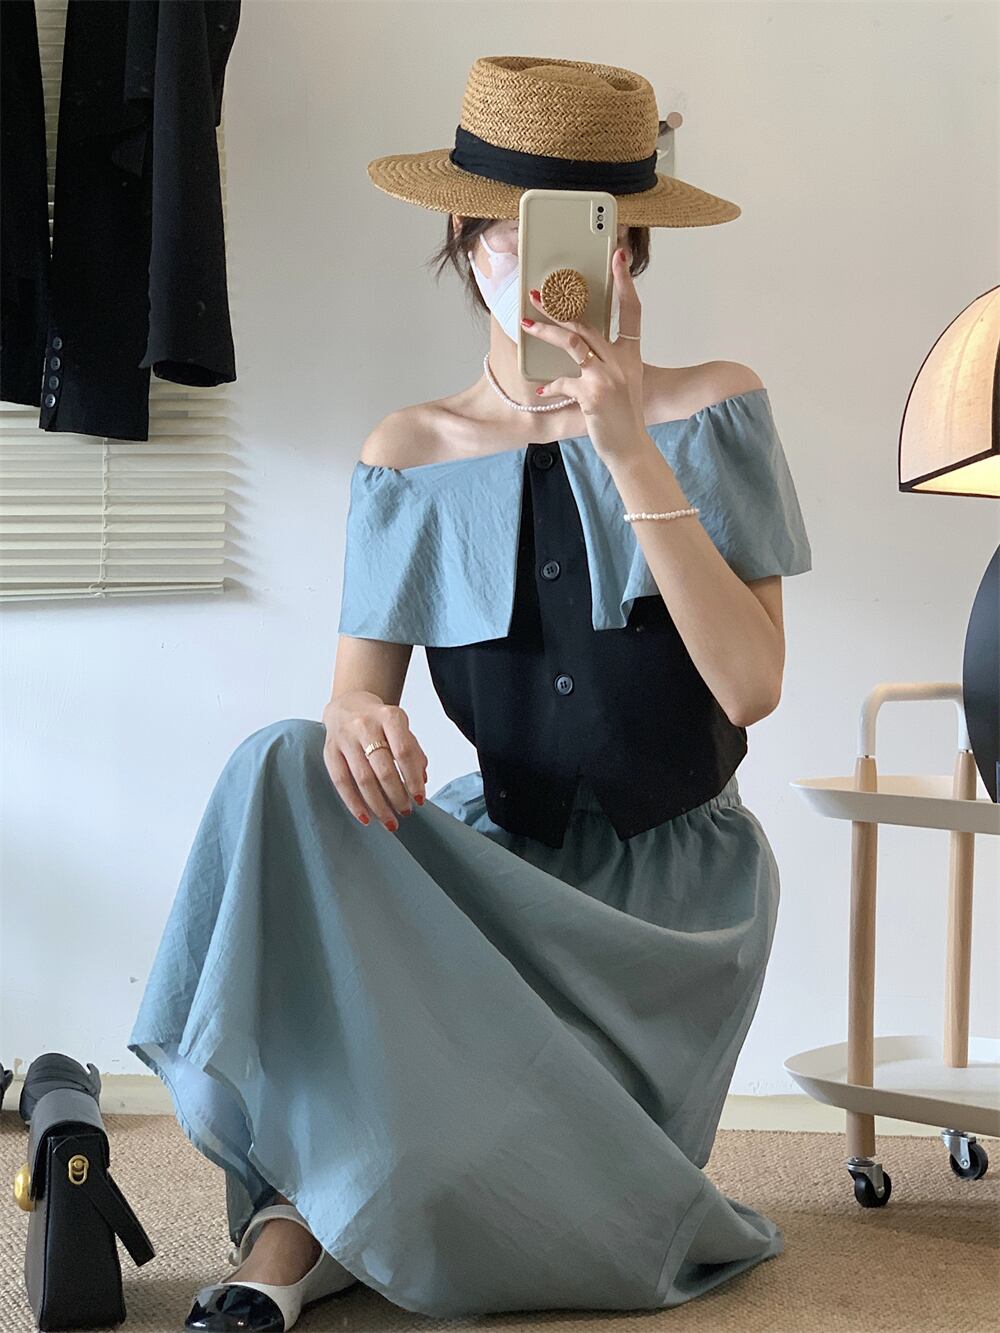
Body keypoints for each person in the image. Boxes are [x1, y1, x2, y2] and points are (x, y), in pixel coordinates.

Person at [128, 54, 813, 1331]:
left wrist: (624, 446)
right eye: (515, 227)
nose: (548, 263)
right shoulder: (410, 453)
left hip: (671, 913)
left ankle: (311, 1230)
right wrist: (359, 720)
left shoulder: (715, 410)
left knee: (514, 1192)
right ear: (465, 233)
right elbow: (351, 708)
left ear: (630, 244)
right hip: (487, 877)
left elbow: (751, 684)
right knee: (278, 759)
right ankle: (282, 1257)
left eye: (590, 227)